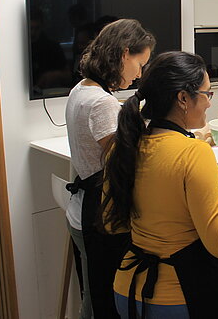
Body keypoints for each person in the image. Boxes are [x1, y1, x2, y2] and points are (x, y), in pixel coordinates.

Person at [100, 51, 218, 319]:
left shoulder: (124, 146)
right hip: (179, 297)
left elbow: (114, 223)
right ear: (182, 98)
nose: (208, 104)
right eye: (206, 94)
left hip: (127, 288)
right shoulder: (193, 154)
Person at [65, 19, 156, 319]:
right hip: (97, 214)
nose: (140, 73)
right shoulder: (101, 102)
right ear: (123, 54)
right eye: (140, 64)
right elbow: (122, 161)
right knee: (103, 299)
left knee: (93, 293)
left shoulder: (81, 89)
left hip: (80, 209)